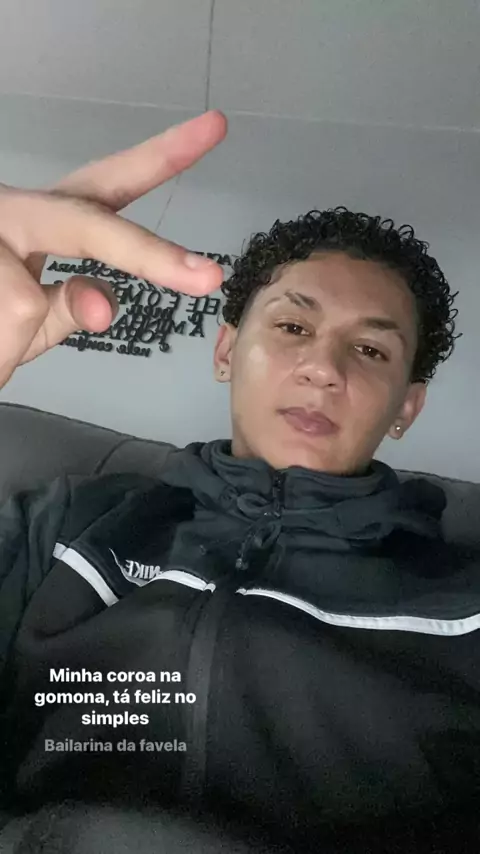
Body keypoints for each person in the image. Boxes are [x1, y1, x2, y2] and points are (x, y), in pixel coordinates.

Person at [0, 109, 478, 853]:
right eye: (293, 327)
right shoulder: (67, 529)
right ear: (226, 351)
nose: (324, 368)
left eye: (371, 351)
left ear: (405, 409)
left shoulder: (462, 612)